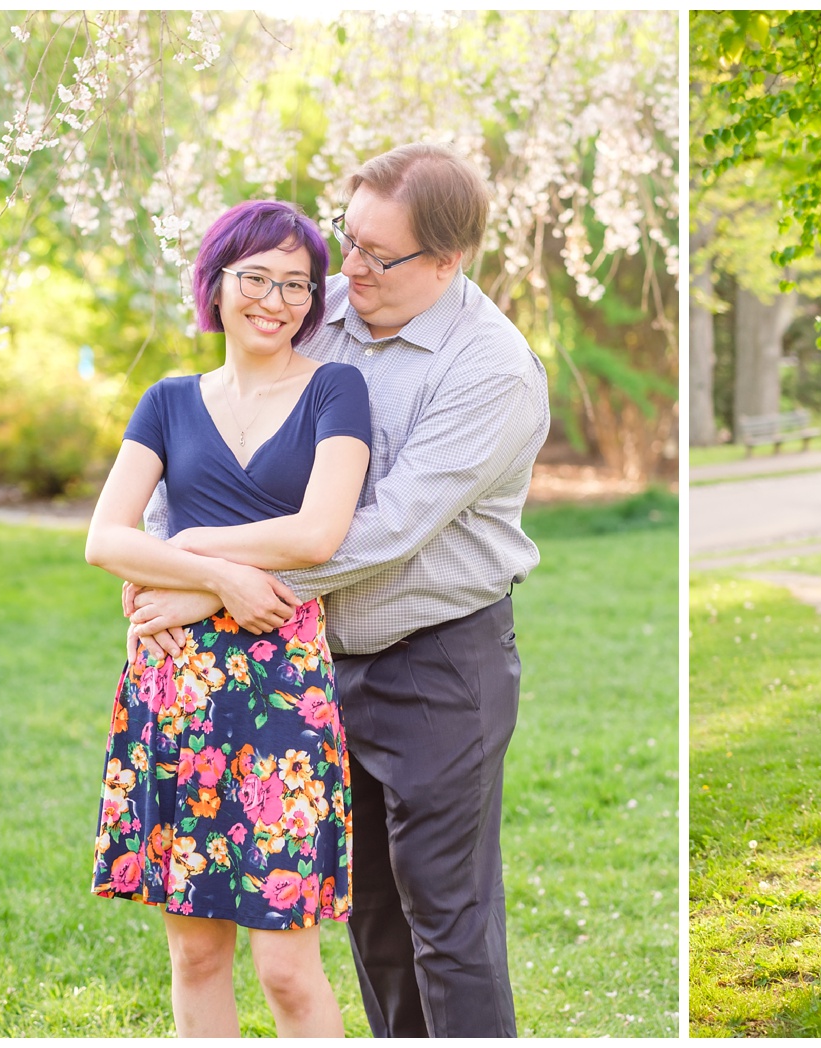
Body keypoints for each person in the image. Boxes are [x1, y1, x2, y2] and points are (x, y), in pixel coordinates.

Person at [127, 143, 550, 1037]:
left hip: (438, 663)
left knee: (447, 921)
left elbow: (385, 529)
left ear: (447, 260)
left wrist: (209, 586)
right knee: (371, 920)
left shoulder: (492, 372)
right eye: (347, 239)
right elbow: (221, 436)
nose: (346, 269)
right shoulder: (327, 315)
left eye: (377, 255)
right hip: (306, 667)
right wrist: (166, 555)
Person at [86, 199, 372, 1036]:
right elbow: (106, 538)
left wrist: (199, 554)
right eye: (256, 278)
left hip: (283, 689)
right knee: (197, 955)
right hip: (175, 686)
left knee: (286, 966)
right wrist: (221, 578)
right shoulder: (167, 402)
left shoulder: (335, 389)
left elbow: (319, 533)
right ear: (215, 285)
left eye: (297, 284)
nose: (275, 300)